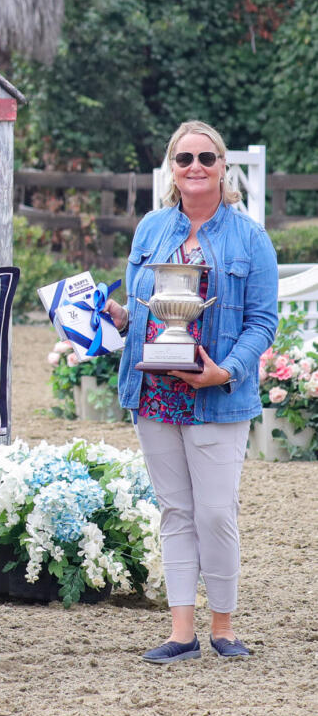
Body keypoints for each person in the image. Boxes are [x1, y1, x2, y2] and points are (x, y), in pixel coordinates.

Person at [102, 120, 277, 663]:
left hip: (217, 394)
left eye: (206, 157)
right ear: (171, 169)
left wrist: (224, 371)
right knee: (175, 511)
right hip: (154, 392)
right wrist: (116, 318)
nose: (195, 167)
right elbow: (150, 314)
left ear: (223, 166)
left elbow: (263, 322)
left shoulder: (250, 237)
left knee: (216, 513)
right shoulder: (151, 228)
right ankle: (182, 633)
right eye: (184, 159)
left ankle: (223, 627)